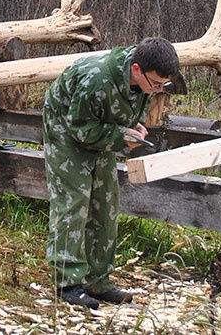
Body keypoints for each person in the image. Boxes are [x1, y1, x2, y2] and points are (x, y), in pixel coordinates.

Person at [43, 37, 179, 309]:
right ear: (136, 69)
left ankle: (98, 282)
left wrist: (133, 128)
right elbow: (80, 129)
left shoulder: (142, 78)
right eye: (155, 84)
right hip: (67, 128)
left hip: (97, 127)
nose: (157, 90)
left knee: (105, 203)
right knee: (74, 200)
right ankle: (67, 283)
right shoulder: (98, 79)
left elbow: (122, 110)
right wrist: (119, 135)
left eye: (163, 85)